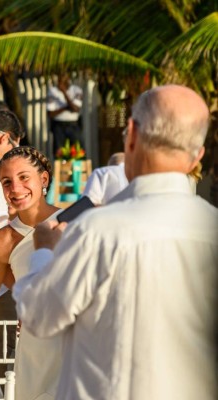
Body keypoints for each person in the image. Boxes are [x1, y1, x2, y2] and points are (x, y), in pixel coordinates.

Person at [14, 85, 217, 400]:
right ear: (197, 157)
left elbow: (39, 317)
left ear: (131, 134)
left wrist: (43, 252)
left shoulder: (97, 231)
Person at [0, 146, 62, 399]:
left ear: (43, 179)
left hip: (76, 340)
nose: (15, 188)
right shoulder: (3, 240)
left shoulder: (75, 221)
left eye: (23, 177)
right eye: (6, 182)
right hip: (33, 348)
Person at [47, 73, 83, 155]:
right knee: (59, 152)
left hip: (73, 125)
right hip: (58, 125)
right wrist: (67, 107)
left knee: (77, 151)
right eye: (59, 80)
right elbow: (51, 114)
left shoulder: (76, 90)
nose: (60, 82)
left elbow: (76, 109)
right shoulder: (53, 91)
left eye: (63, 79)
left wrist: (64, 92)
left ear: (68, 79)